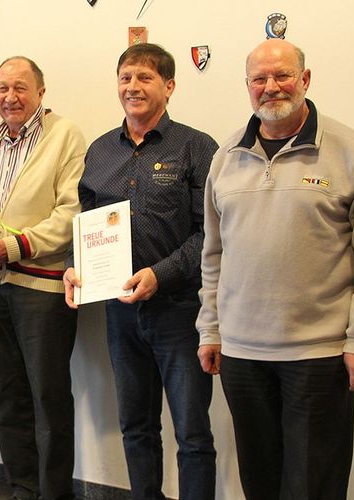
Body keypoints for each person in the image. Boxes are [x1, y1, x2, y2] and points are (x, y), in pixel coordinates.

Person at [196, 39, 354, 500]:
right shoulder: (225, 158)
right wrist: (210, 330)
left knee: (314, 486)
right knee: (260, 483)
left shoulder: (352, 153)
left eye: (282, 75)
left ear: (305, 80)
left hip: (320, 357)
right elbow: (213, 255)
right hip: (242, 355)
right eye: (259, 79)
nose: (271, 87)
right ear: (247, 87)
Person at [64, 44, 217, 500]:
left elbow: (209, 232)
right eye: (126, 77)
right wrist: (76, 267)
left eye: (145, 78)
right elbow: (86, 225)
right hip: (120, 313)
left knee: (192, 434)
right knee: (136, 426)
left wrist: (160, 274)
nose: (133, 86)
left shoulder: (196, 146)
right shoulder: (99, 152)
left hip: (180, 312)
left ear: (169, 86)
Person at [0, 56, 86, 500]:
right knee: (5, 397)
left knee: (48, 400)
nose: (9, 97)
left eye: (20, 88)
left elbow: (72, 211)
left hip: (43, 287)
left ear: (41, 91)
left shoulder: (65, 136)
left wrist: (17, 244)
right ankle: (21, 488)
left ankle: (54, 493)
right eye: (2, 89)